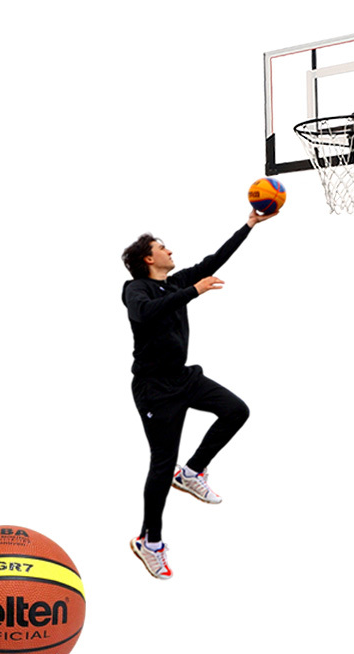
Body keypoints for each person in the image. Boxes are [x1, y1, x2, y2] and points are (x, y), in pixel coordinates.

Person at [122, 208, 279, 579]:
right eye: (162, 247)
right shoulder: (136, 289)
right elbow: (144, 313)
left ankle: (191, 472)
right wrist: (193, 291)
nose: (169, 251)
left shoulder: (176, 282)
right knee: (162, 462)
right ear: (149, 259)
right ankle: (150, 541)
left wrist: (249, 225)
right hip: (154, 388)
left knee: (236, 410)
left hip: (183, 378)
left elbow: (214, 261)